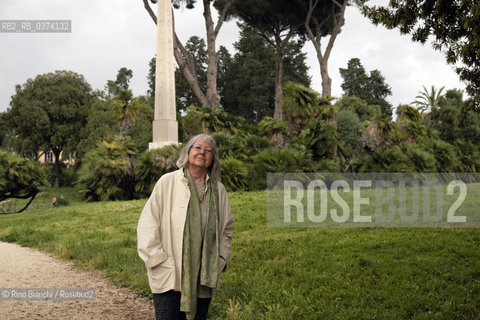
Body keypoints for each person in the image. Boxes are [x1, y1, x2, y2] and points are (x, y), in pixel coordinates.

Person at [137, 134, 235, 320]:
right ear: (188, 151)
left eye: (208, 150)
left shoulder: (218, 190)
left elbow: (227, 229)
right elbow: (148, 223)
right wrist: (157, 259)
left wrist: (221, 259)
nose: (202, 152)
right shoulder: (167, 182)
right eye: (198, 147)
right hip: (169, 273)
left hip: (203, 276)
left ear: (212, 159)